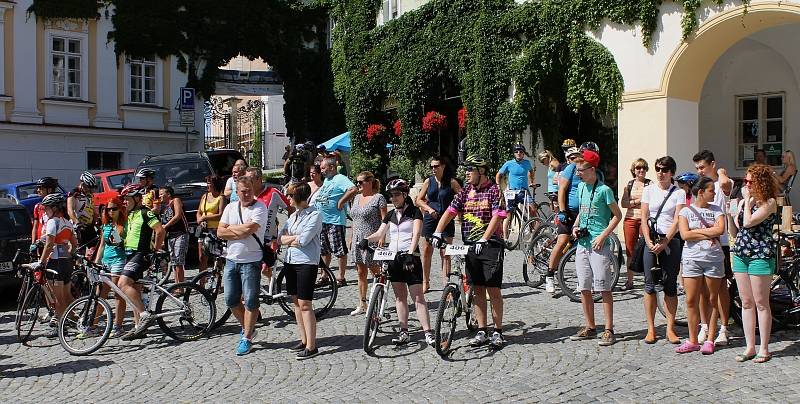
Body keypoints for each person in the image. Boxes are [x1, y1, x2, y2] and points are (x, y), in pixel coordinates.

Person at [432, 155, 507, 348]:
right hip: (470, 245)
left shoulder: (494, 190)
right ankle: (482, 330)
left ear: (481, 171)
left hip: (491, 245)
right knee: (477, 290)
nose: (466, 174)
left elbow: (497, 217)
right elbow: (450, 211)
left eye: (470, 170)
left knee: (493, 290)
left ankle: (497, 331)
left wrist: (484, 238)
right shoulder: (465, 191)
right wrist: (438, 232)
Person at [365, 179, 434, 346]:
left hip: (409, 257)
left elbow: (416, 234)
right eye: (391, 195)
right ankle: (404, 331)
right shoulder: (390, 215)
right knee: (399, 297)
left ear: (404, 194)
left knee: (417, 297)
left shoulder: (414, 212)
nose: (393, 198)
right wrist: (366, 240)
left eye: (396, 195)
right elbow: (380, 233)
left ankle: (428, 332)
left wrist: (410, 253)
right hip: (393, 258)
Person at [568, 150, 621, 346]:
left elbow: (617, 215)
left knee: (603, 288)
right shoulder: (581, 187)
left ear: (592, 169)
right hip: (582, 244)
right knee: (584, 287)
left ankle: (609, 329)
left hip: (599, 245)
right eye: (576, 169)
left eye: (580, 169)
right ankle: (590, 327)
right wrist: (575, 226)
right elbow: (582, 212)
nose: (577, 173)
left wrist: (603, 235)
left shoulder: (604, 190)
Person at [731, 164, 779, 363]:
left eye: (751, 181)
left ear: (761, 182)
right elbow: (737, 230)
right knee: (746, 302)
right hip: (742, 253)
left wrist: (747, 205)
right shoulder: (745, 203)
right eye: (746, 181)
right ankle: (749, 346)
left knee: (761, 302)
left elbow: (749, 222)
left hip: (760, 254)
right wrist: (732, 212)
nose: (747, 185)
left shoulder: (769, 203)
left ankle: (764, 348)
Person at [217, 176, 269, 356]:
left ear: (253, 190)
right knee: (231, 299)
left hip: (251, 261)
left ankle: (246, 337)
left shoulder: (260, 207)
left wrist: (231, 229)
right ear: (237, 192)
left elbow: (249, 230)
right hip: (231, 260)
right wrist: (238, 231)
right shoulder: (230, 207)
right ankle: (247, 328)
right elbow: (219, 232)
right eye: (242, 191)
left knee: (251, 300)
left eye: (249, 191)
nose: (246, 194)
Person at [675, 176, 725, 355]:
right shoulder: (685, 212)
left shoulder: (717, 209)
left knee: (711, 299)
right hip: (692, 259)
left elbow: (720, 230)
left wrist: (696, 232)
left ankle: (710, 339)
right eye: (711, 190)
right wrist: (708, 233)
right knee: (691, 300)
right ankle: (693, 339)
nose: (714, 193)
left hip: (713, 259)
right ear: (701, 192)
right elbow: (685, 235)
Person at [640, 156, 686, 344]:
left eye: (664, 170)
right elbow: (643, 217)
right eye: (658, 169)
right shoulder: (648, 190)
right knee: (649, 285)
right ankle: (651, 329)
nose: (660, 173)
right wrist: (649, 241)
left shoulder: (679, 193)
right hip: (651, 239)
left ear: (671, 173)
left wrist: (666, 240)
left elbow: (678, 218)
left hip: (670, 240)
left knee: (670, 285)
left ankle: (670, 328)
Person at [692, 150, 733, 346]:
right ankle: (705, 325)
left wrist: (722, 171)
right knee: (701, 289)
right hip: (699, 244)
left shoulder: (720, 184)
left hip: (721, 243)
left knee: (721, 287)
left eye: (702, 167)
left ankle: (724, 327)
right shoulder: (698, 187)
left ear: (712, 164)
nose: (699, 171)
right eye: (697, 168)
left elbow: (726, 184)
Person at [280, 182, 323, 360]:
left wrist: (290, 239)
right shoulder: (294, 216)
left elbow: (304, 240)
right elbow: (280, 237)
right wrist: (292, 239)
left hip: (306, 262)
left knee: (305, 304)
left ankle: (312, 345)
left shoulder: (315, 214)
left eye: (290, 196)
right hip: (291, 260)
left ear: (298, 197)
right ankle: (303, 339)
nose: (288, 199)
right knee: (296, 302)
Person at [117, 183, 165, 341]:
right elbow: (125, 236)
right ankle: (139, 328)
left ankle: (145, 315)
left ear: (137, 198)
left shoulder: (146, 213)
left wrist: (155, 251)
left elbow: (160, 230)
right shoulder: (130, 214)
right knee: (134, 292)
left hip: (141, 254)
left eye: (127, 198)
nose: (125, 201)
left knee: (122, 284)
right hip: (130, 254)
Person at [34, 193, 78, 337]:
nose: (45, 211)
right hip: (66, 262)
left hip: (55, 263)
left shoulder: (53, 222)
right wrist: (68, 253)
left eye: (46, 208)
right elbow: (74, 244)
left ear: (54, 208)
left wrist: (41, 262)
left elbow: (49, 244)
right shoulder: (67, 222)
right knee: (66, 296)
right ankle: (77, 319)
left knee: (58, 298)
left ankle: (60, 326)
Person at [416, 156, 461, 292]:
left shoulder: (452, 182)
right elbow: (419, 200)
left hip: (447, 218)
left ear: (443, 166)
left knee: (445, 252)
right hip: (431, 218)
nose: (433, 169)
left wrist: (457, 212)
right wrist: (429, 209)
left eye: (436, 166)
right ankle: (425, 281)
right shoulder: (428, 182)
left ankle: (445, 282)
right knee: (427, 250)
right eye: (432, 167)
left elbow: (462, 197)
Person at [347, 171, 387, 315]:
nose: (358, 185)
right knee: (360, 271)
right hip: (358, 238)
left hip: (372, 238)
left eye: (360, 182)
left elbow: (385, 219)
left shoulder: (378, 198)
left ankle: (379, 299)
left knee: (375, 271)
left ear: (369, 182)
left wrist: (382, 237)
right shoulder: (356, 197)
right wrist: (351, 237)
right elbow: (354, 219)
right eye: (357, 182)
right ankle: (362, 303)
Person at [546, 146, 583, 294]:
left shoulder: (585, 170)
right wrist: (561, 211)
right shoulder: (570, 170)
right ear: (568, 159)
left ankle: (582, 280)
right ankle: (549, 275)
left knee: (581, 247)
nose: (576, 159)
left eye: (578, 156)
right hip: (568, 211)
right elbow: (561, 190)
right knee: (562, 241)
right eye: (572, 157)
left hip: (582, 213)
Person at [316, 156, 358, 286]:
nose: (321, 171)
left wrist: (341, 201)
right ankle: (324, 275)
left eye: (323, 168)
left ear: (332, 167)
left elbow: (353, 189)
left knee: (339, 250)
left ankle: (341, 277)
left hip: (335, 221)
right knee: (324, 250)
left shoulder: (340, 179)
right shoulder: (328, 180)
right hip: (323, 220)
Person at [95, 197, 128, 337]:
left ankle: (118, 325)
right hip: (106, 261)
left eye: (114, 208)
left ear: (120, 209)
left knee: (117, 294)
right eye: (108, 209)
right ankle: (93, 324)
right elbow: (102, 245)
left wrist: (119, 239)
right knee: (100, 293)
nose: (110, 211)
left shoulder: (125, 224)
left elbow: (125, 244)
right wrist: (97, 262)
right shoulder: (106, 226)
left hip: (119, 260)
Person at [620, 158, 650, 290]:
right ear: (634, 170)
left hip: (644, 219)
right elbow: (623, 204)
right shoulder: (629, 184)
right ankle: (630, 280)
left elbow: (650, 202)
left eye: (643, 168)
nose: (641, 170)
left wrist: (633, 201)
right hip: (630, 220)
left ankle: (648, 280)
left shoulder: (650, 184)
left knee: (646, 249)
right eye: (638, 168)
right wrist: (639, 201)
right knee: (630, 250)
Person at [496, 143, 536, 239]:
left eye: (521, 152)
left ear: (523, 153)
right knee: (508, 214)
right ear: (514, 153)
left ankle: (533, 231)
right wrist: (498, 185)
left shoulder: (527, 163)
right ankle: (505, 238)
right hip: (511, 192)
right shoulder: (509, 163)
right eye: (516, 152)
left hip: (523, 191)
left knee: (532, 209)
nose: (519, 153)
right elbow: (499, 174)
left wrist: (531, 181)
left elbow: (531, 171)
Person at [159, 186, 189, 284]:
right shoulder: (164, 207)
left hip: (180, 233)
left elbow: (177, 216)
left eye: (161, 193)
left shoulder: (176, 200)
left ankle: (180, 286)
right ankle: (177, 285)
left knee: (179, 261)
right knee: (174, 262)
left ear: (168, 194)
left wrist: (165, 226)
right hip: (171, 236)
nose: (159, 196)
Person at [197, 175, 227, 276]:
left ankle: (217, 281)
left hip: (215, 229)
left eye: (210, 183)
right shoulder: (205, 196)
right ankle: (201, 282)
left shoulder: (221, 197)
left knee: (216, 256)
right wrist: (200, 220)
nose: (207, 185)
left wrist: (205, 218)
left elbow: (220, 214)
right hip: (203, 229)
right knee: (202, 257)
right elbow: (199, 212)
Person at [67, 171, 98, 249]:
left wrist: (97, 221)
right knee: (80, 252)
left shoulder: (89, 194)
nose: (90, 190)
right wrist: (77, 223)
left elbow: (92, 209)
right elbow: (70, 211)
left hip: (89, 226)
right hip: (78, 227)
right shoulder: (74, 193)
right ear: (83, 184)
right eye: (88, 187)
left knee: (94, 250)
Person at [31, 177, 59, 248]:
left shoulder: (58, 206)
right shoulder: (37, 206)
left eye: (41, 188)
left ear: (49, 190)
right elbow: (35, 227)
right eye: (38, 188)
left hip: (54, 242)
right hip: (40, 243)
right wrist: (33, 243)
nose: (38, 190)